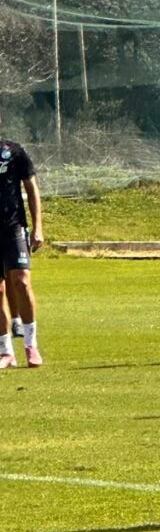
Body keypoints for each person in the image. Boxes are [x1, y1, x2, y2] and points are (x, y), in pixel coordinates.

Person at [0, 123, 43, 368]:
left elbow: (32, 189)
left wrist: (38, 227)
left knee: (22, 282)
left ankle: (31, 344)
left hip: (13, 227)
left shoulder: (13, 152)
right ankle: (6, 351)